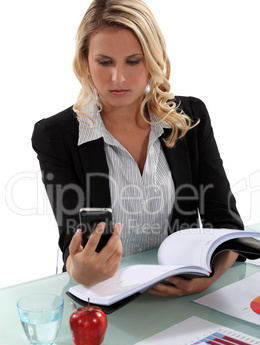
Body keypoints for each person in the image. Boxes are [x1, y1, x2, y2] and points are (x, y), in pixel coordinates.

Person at [32, 0, 244, 297]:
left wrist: (207, 279)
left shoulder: (190, 118)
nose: (118, 77)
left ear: (154, 59)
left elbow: (225, 223)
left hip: (181, 296)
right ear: (85, 60)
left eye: (133, 61)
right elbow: (72, 239)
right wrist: (79, 269)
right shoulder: (56, 135)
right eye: (104, 62)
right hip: (106, 297)